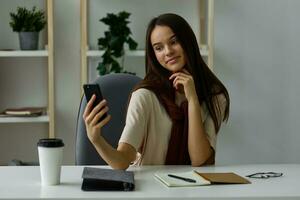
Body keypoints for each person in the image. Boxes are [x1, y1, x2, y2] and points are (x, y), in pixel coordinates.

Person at [83, 13, 230, 170]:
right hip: (149, 187)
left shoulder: (214, 96)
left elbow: (199, 160)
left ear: (188, 42)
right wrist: (96, 139)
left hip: (192, 189)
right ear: (154, 55)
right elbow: (122, 161)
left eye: (174, 42)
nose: (167, 52)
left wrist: (192, 100)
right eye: (158, 48)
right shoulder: (144, 96)